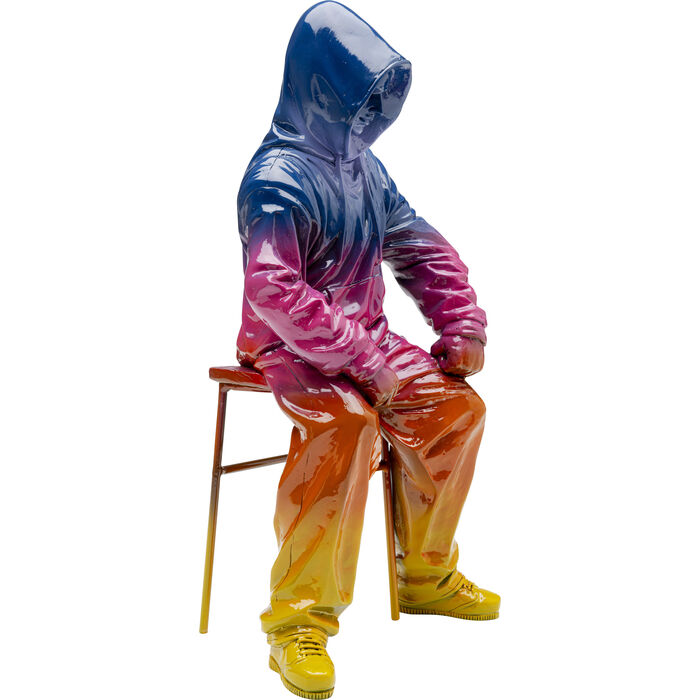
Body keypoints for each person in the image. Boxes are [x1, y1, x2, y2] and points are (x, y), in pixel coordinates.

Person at [235, 2, 499, 697]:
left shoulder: (366, 171)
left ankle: (426, 573)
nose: (373, 115)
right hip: (289, 349)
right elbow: (274, 290)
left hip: (364, 342)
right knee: (344, 428)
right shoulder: (276, 179)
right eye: (362, 97)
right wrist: (363, 359)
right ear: (322, 89)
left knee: (455, 411)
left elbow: (419, 245)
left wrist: (461, 322)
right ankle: (297, 620)